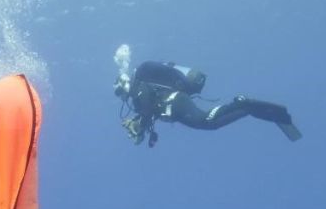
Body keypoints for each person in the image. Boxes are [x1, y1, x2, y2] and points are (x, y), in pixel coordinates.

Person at [114, 60, 302, 147]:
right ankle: (247, 108)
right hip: (174, 107)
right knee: (210, 125)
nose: (121, 96)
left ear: (124, 83)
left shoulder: (139, 88)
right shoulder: (139, 95)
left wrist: (139, 125)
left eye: (119, 91)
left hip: (175, 102)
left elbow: (147, 108)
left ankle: (242, 104)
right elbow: (148, 112)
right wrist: (140, 127)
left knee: (205, 121)